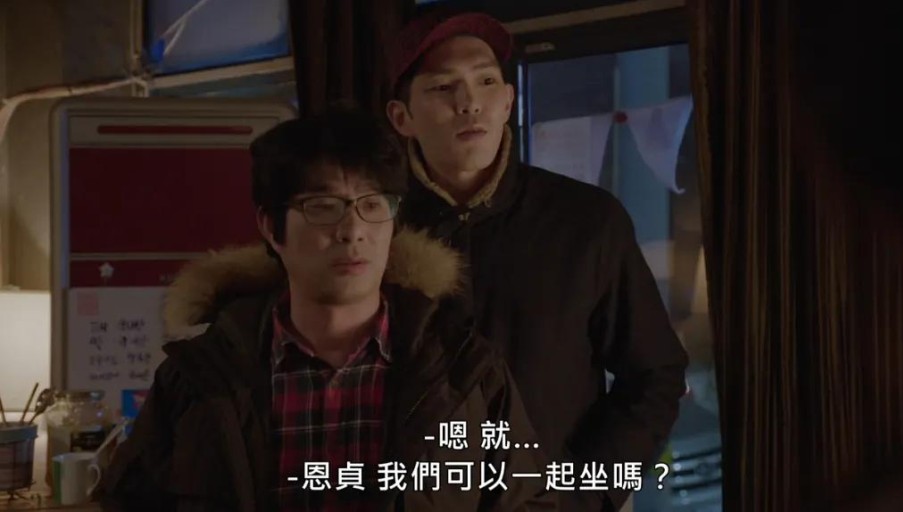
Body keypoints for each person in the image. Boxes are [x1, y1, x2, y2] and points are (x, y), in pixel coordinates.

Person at [98, 105, 555, 511]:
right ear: (271, 227)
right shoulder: (200, 377)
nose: (353, 230)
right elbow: (127, 501)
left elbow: (527, 501)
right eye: (323, 207)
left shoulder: (463, 370)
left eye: (373, 204)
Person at [385, 10, 690, 511]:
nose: (469, 103)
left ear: (508, 101)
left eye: (486, 82)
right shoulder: (374, 232)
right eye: (442, 87)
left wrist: (584, 495)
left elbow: (654, 374)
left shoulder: (586, 219)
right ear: (403, 118)